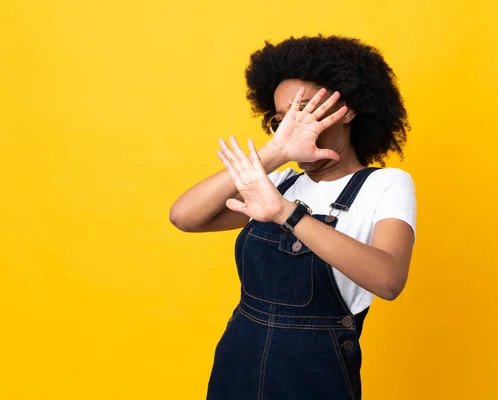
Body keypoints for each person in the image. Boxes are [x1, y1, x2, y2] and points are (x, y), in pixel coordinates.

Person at [170, 35, 416, 400]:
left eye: (305, 111)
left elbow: (388, 279)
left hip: (314, 379)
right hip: (236, 368)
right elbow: (183, 216)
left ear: (346, 110)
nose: (294, 127)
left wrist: (285, 213)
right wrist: (275, 153)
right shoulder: (280, 182)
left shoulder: (385, 185)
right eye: (282, 120)